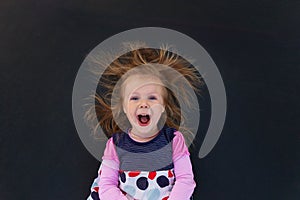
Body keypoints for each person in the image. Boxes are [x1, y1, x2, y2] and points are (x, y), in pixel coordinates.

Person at [85, 44, 202, 200]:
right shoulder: (116, 144)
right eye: (134, 98)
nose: (144, 104)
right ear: (124, 108)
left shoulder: (173, 140)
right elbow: (107, 185)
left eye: (152, 98)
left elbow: (185, 181)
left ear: (163, 108)